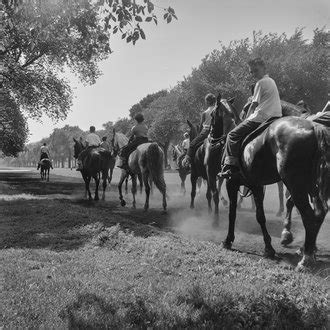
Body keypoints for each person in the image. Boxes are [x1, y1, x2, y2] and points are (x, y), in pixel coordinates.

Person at [220, 58, 282, 178]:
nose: (254, 74)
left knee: (232, 135)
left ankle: (231, 167)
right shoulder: (272, 81)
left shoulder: (260, 83)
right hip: (276, 116)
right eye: (251, 72)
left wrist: (246, 119)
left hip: (261, 117)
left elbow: (254, 105)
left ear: (264, 68)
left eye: (256, 70)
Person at [183, 93, 217, 167]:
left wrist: (198, 135)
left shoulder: (205, 113)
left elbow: (201, 126)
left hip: (206, 132)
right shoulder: (218, 109)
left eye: (206, 101)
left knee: (192, 144)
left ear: (208, 101)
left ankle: (187, 161)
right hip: (216, 131)